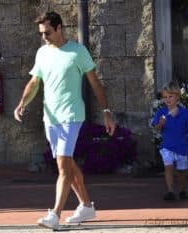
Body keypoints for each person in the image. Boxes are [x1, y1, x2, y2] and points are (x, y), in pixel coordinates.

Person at [14, 11, 115, 228]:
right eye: (41, 33)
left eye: (47, 32)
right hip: (50, 117)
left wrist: (106, 111)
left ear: (59, 28)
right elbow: (34, 82)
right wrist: (23, 102)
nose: (44, 37)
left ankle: (55, 215)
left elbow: (95, 83)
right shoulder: (42, 53)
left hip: (72, 115)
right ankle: (86, 206)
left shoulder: (78, 52)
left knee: (62, 164)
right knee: (67, 163)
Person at [151, 80, 188, 201]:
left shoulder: (184, 112)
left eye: (170, 96)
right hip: (167, 146)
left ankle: (182, 190)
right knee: (168, 167)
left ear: (177, 96)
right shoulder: (161, 112)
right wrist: (160, 124)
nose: (167, 99)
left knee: (181, 171)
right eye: (165, 97)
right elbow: (156, 127)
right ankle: (170, 191)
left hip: (181, 147)